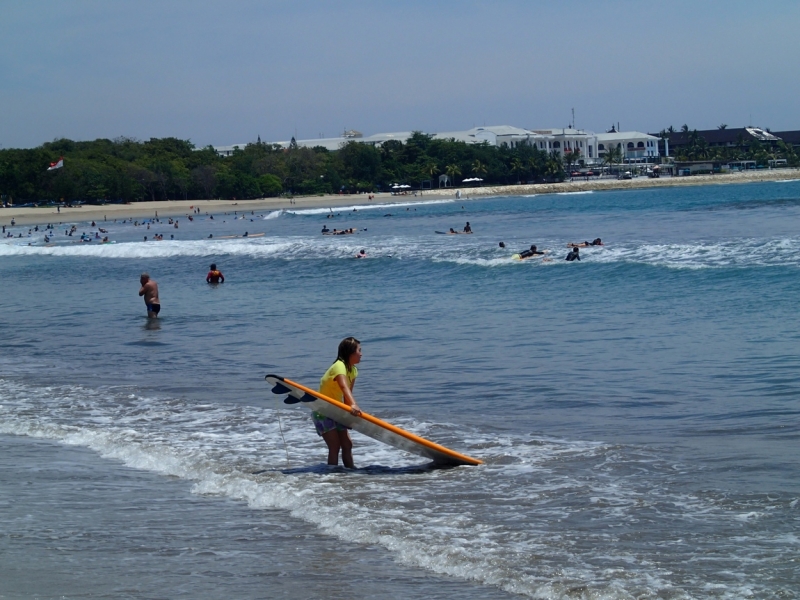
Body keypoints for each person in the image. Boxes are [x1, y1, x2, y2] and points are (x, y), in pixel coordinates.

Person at [316, 337, 363, 468]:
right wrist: (354, 405)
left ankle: (351, 471)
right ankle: (332, 476)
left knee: (347, 445)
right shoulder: (339, 366)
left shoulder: (353, 370)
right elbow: (344, 387)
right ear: (350, 353)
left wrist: (349, 413)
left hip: (336, 411)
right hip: (323, 411)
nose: (361, 354)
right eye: (359, 350)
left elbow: (348, 395)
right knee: (334, 446)